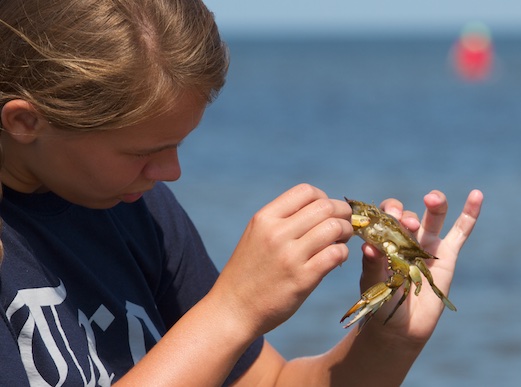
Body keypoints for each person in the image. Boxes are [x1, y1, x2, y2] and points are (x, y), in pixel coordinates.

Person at [0, 0, 484, 385]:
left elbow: (272, 383)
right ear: (25, 121)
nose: (171, 171)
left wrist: (387, 344)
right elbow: (226, 319)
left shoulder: (136, 208)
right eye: (142, 151)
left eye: (178, 144)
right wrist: (232, 311)